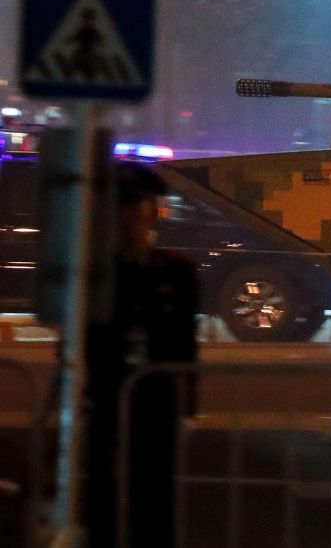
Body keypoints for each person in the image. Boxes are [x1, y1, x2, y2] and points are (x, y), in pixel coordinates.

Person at [84, 163, 198, 547]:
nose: (128, 215)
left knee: (154, 497)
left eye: (137, 206)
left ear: (154, 211)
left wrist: (186, 404)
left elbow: (185, 342)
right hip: (105, 397)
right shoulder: (96, 271)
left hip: (157, 402)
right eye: (121, 206)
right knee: (101, 495)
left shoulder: (177, 272)